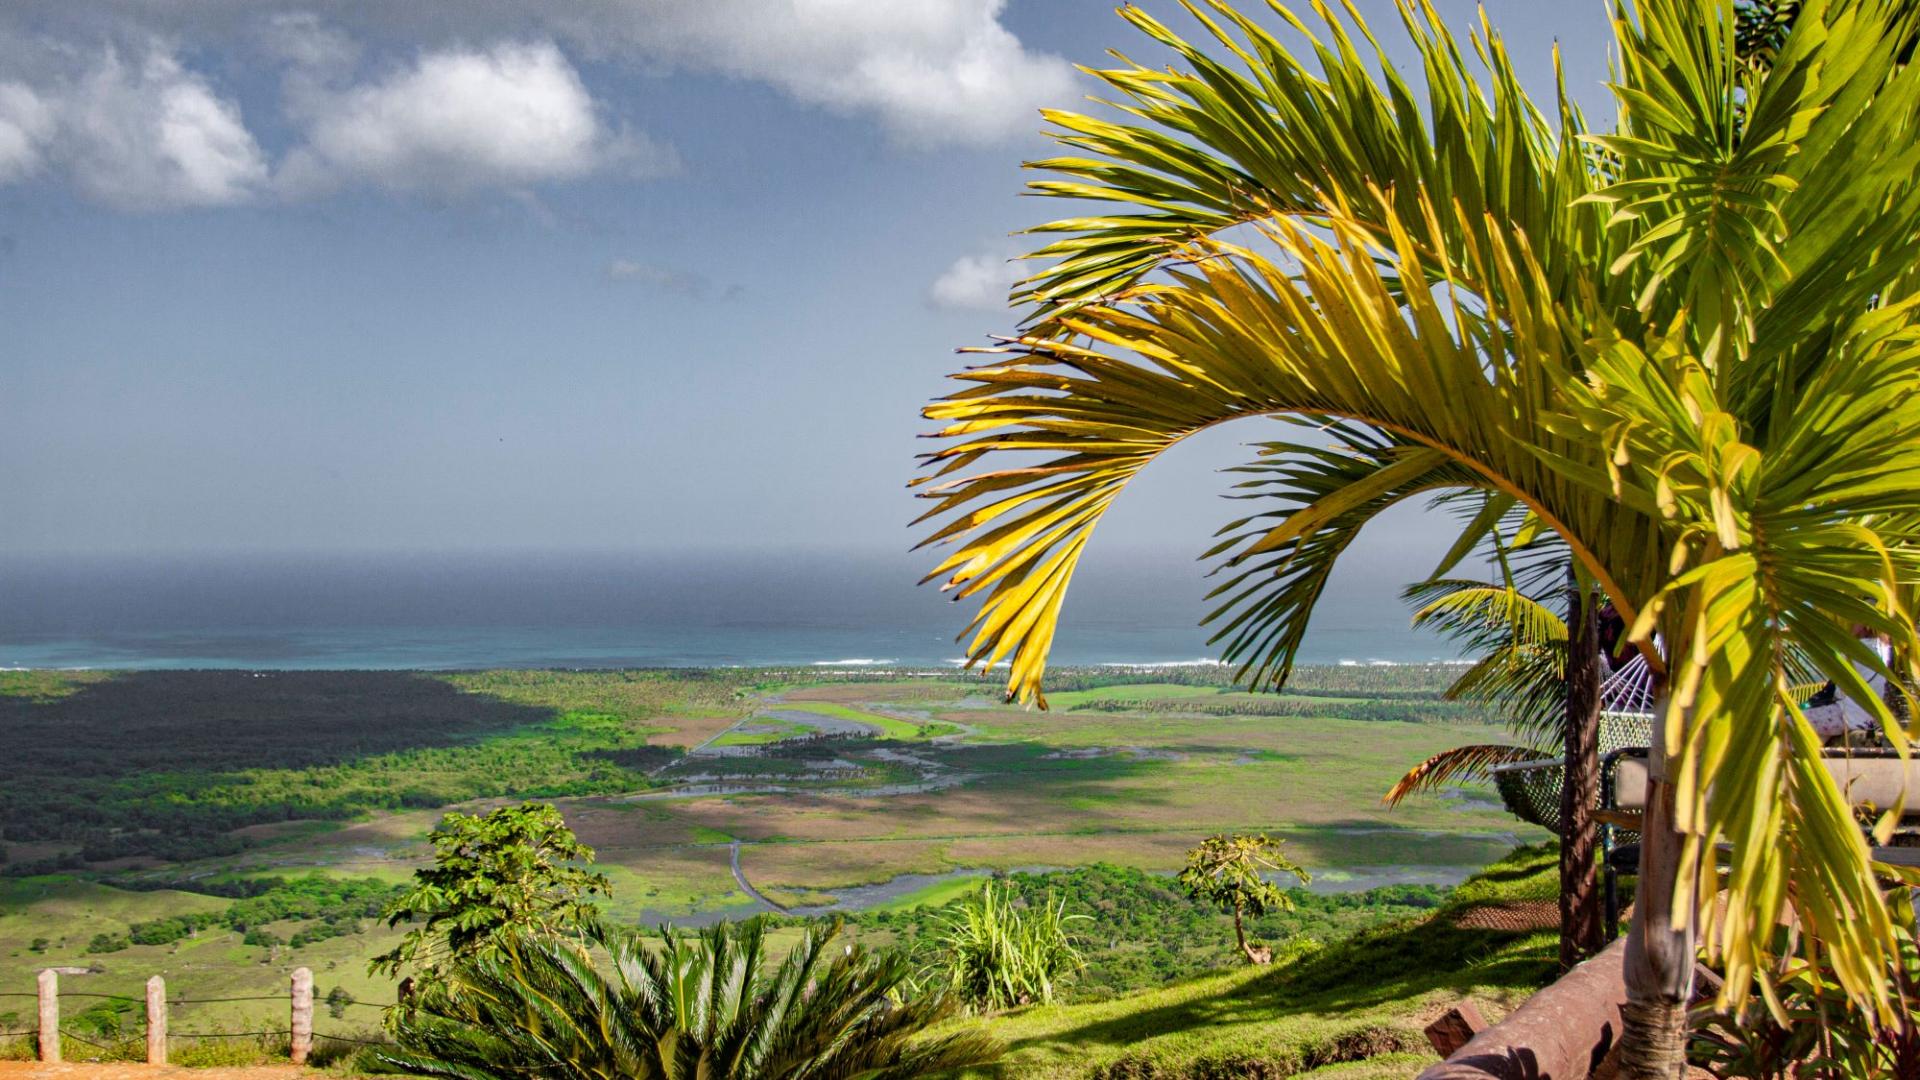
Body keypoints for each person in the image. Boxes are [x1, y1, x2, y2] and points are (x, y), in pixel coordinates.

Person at [1805, 625, 1892, 744]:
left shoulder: (1855, 650)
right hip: (1875, 720)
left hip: (1850, 717)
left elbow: (1838, 692)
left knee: (1791, 720)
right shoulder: (1887, 650)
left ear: (1864, 624)